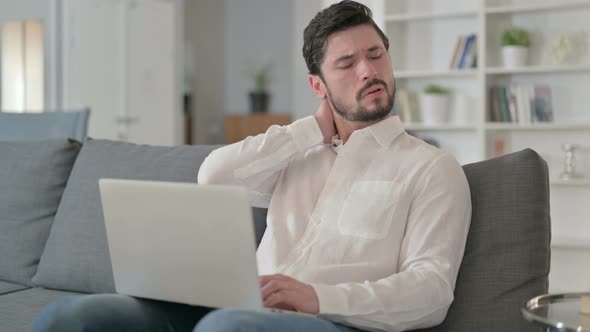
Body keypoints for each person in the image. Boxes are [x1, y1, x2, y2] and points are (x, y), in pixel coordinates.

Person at [32, 1, 471, 331]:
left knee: (224, 329)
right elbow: (214, 178)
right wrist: (307, 132)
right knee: (74, 317)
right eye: (347, 63)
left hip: (335, 323)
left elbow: (431, 292)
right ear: (317, 85)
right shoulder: (296, 153)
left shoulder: (431, 168)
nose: (367, 71)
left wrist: (317, 298)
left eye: (376, 55)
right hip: (238, 307)